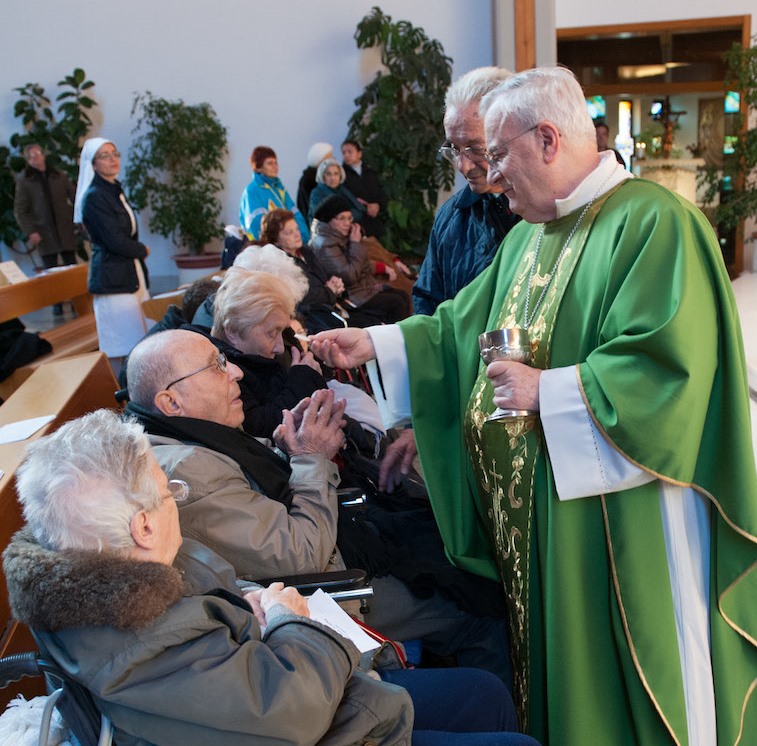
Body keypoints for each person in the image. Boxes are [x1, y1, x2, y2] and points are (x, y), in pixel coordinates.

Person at [309, 66, 757, 745]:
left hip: (625, 508)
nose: (486, 176)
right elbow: (458, 327)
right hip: (545, 515)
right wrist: (371, 342)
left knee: (635, 663)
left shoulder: (654, 223)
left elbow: (667, 367)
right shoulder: (524, 236)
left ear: (546, 139)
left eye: (495, 155)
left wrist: (547, 390)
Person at [4, 409, 535, 746]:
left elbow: (215, 631)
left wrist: (249, 602)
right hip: (315, 716)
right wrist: (290, 621)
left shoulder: (95, 569)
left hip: (297, 688)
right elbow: (291, 712)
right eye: (171, 494)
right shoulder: (140, 635)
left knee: (483, 694)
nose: (176, 503)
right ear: (143, 526)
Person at [124, 329, 513, 684]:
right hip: (330, 591)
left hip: (337, 554)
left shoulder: (183, 436)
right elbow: (300, 556)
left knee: (439, 545)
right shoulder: (184, 470)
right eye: (216, 366)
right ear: (171, 401)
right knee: (478, 608)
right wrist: (311, 458)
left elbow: (256, 495)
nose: (237, 373)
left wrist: (286, 447)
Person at [412, 67, 520, 316]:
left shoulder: (547, 212)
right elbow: (428, 302)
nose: (463, 166)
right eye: (454, 148)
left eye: (476, 149)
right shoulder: (451, 215)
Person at [74, 137, 149, 373]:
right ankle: (123, 394)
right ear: (93, 164)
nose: (112, 159)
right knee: (122, 342)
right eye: (105, 156)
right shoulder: (95, 196)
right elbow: (113, 239)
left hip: (128, 269)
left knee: (139, 336)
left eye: (115, 153)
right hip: (112, 277)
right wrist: (142, 250)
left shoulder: (113, 189)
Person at [311, 195, 410, 324]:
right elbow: (349, 275)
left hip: (362, 290)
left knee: (402, 295)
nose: (347, 223)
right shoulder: (325, 244)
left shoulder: (339, 235)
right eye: (342, 219)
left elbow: (360, 262)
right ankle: (395, 341)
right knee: (396, 303)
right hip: (350, 298)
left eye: (349, 218)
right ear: (329, 220)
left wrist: (381, 267)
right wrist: (356, 244)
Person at [259, 208, 351, 331]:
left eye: (297, 229)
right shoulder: (280, 264)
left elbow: (323, 278)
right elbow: (304, 298)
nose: (297, 234)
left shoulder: (305, 251)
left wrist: (336, 285)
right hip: (310, 318)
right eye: (289, 232)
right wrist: (330, 291)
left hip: (330, 307)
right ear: (275, 240)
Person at [13, 143, 78, 299]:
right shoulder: (24, 181)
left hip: (63, 227)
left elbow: (75, 197)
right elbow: (20, 210)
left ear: (43, 155)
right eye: (31, 157)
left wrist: (77, 220)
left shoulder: (59, 176)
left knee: (72, 266)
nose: (35, 159)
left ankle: (78, 297)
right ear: (28, 161)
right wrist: (31, 231)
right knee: (51, 272)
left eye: (37, 154)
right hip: (43, 231)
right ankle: (57, 303)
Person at [239, 146, 309, 242]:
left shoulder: (279, 188)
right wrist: (274, 244)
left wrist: (303, 238)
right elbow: (256, 224)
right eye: (270, 163)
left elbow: (295, 214)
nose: (275, 166)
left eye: (276, 162)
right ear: (258, 167)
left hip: (287, 244)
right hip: (265, 248)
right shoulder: (252, 191)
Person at [342, 139, 387, 239]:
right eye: (344, 153)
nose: (346, 155)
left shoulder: (370, 171)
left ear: (359, 154)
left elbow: (381, 191)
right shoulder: (342, 176)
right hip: (359, 223)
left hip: (377, 220)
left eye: (350, 152)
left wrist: (378, 205)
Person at [309, 158, 365, 225]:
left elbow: (359, 211)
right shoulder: (316, 193)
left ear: (340, 175)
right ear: (323, 176)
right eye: (329, 174)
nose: (332, 178)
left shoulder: (343, 189)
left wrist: (346, 217)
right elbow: (321, 217)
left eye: (336, 174)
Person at [296, 141, 333, 218]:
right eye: (329, 157)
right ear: (320, 160)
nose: (332, 160)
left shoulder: (311, 178)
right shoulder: (311, 181)